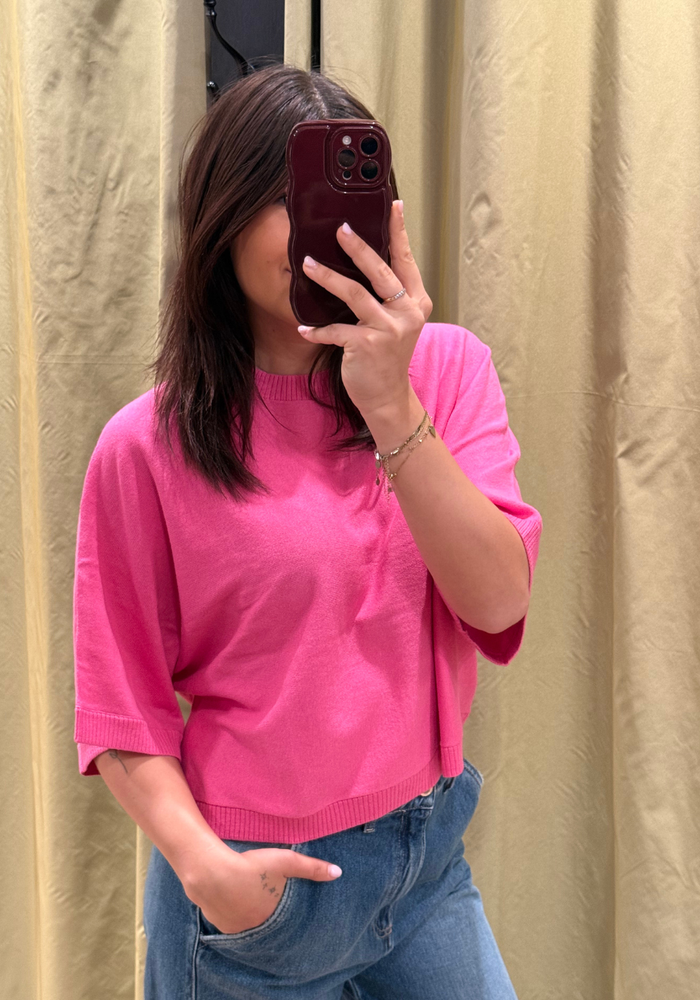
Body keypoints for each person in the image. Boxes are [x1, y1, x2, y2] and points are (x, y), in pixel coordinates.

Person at [72, 63, 542, 1000]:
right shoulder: (148, 444)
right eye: (284, 200)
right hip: (256, 895)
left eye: (342, 199)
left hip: (426, 865)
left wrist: (389, 401)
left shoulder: (447, 373)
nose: (317, 231)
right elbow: (120, 704)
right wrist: (207, 869)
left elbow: (497, 602)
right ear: (221, 217)